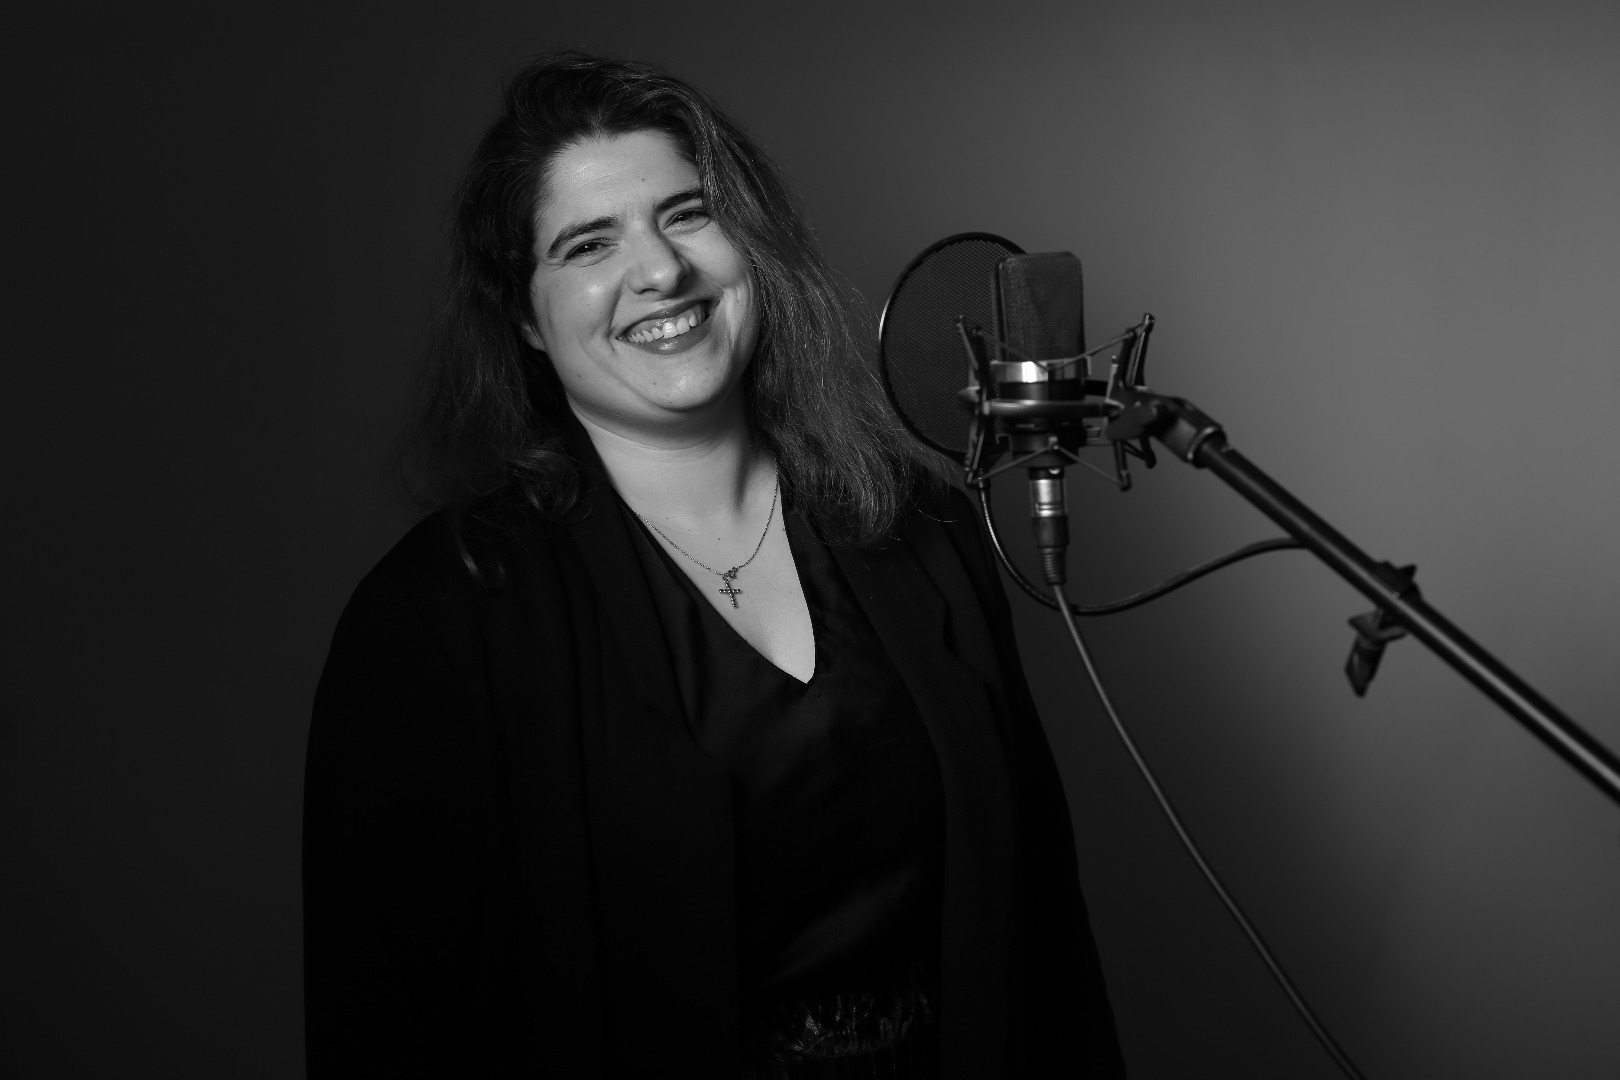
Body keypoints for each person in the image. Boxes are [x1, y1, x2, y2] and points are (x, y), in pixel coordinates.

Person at [302, 51, 1125, 1078]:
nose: (660, 270)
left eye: (687, 214)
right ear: (524, 318)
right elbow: (382, 1024)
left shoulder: (921, 527)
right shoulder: (437, 618)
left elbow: (1042, 937)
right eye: (589, 243)